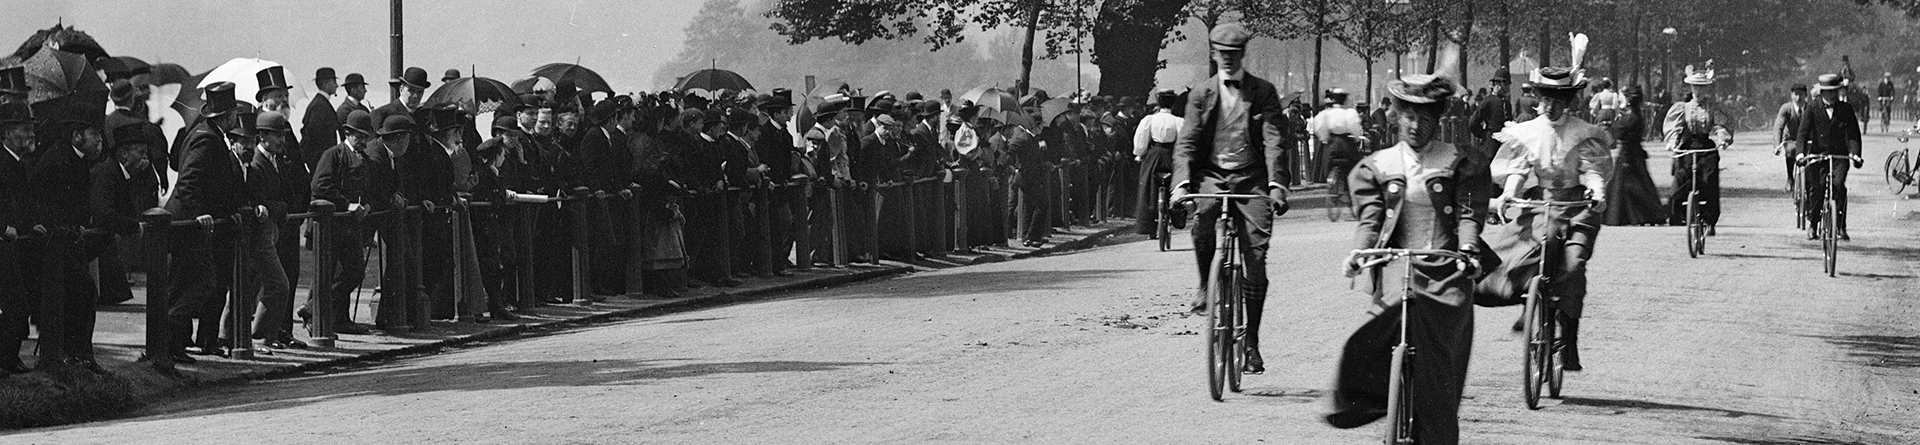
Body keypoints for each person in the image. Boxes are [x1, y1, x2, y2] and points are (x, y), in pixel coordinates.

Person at [1325, 74, 1487, 444]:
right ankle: (1376, 398)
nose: (1416, 126)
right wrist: (1359, 252)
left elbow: (1467, 214)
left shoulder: (1458, 161)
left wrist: (1468, 251)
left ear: (1439, 119)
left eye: (1426, 118)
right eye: (1409, 117)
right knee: (1363, 337)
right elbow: (1371, 219)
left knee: (1439, 371)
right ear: (1397, 116)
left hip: (1447, 270)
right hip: (1398, 263)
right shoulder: (1378, 165)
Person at [1169, 23, 1294, 374]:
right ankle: (1205, 284)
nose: (1227, 58)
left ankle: (1251, 339)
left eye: (1233, 54)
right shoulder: (1200, 94)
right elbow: (1188, 143)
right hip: (1211, 175)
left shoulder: (1264, 91)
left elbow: (1274, 141)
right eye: (1221, 53)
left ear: (1242, 55)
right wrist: (1181, 185)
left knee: (1256, 255)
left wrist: (1276, 185)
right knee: (1203, 215)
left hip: (1251, 179)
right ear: (1213, 53)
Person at [1483, 62, 1615, 373]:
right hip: (1541, 206)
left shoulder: (1582, 134)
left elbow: (1592, 171)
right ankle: (1530, 306)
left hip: (1576, 209)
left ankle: (1568, 337)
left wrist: (1595, 191)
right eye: (1545, 99)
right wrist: (1507, 195)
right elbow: (1519, 169)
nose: (1549, 107)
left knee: (1573, 265)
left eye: (1557, 101)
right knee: (1519, 254)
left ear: (1569, 102)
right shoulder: (1529, 131)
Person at [167, 83, 259, 359]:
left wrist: (224, 212)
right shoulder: (206, 138)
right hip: (190, 225)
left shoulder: (209, 135)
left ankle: (173, 344)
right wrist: (199, 213)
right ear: (228, 116)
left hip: (200, 223)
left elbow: (215, 185)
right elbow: (189, 181)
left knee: (192, 284)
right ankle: (169, 343)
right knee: (198, 284)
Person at [239, 111, 308, 349]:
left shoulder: (277, 160)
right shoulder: (257, 163)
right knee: (272, 284)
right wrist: (282, 207)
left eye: (283, 135)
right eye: (276, 135)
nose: (282, 140)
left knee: (254, 284)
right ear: (262, 136)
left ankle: (259, 335)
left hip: (274, 232)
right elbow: (259, 200)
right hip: (259, 234)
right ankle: (259, 337)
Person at [307, 110, 376, 335]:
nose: (363, 141)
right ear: (347, 133)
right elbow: (320, 186)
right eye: (359, 136)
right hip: (330, 226)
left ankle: (335, 317)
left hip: (351, 227)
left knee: (353, 272)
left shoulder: (364, 160)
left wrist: (366, 205)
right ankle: (315, 311)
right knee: (329, 272)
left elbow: (367, 190)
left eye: (366, 136)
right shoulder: (333, 155)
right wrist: (346, 205)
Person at [365, 114, 420, 330]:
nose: (408, 144)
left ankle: (389, 315)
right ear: (398, 139)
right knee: (348, 267)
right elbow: (375, 188)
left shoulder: (393, 155)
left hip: (386, 215)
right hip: (371, 215)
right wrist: (392, 197)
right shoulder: (376, 156)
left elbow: (397, 182)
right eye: (406, 138)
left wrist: (398, 193)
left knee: (403, 258)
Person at [1663, 65, 1732, 233]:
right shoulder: (1683, 107)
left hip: (1706, 148)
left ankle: (1709, 221)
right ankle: (1678, 215)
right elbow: (1675, 128)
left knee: (1709, 181)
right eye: (1695, 87)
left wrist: (1722, 139)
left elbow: (1719, 125)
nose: (1698, 91)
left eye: (1701, 87)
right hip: (1688, 147)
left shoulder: (1713, 107)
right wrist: (1672, 142)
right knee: (1680, 181)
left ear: (1706, 88)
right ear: (1691, 88)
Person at [1797, 74, 1864, 240]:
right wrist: (1800, 153)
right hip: (1818, 155)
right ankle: (1813, 224)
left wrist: (1855, 154)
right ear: (1822, 92)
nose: (1832, 95)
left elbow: (1854, 135)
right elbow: (1802, 133)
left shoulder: (1846, 109)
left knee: (1838, 185)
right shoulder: (1812, 108)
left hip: (1839, 156)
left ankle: (1840, 226)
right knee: (1817, 188)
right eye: (1828, 92)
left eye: (1835, 91)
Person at [1603, 87, 1668, 226]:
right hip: (1635, 154)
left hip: (1628, 155)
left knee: (1630, 187)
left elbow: (1618, 132)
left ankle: (1635, 215)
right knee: (1640, 185)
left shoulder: (1630, 118)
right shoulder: (1635, 116)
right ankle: (1644, 214)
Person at [1310, 87, 1368, 220]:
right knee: (1353, 169)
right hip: (1346, 144)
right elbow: (1355, 128)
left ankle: (1330, 183)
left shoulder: (1326, 114)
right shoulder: (1349, 113)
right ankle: (1349, 193)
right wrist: (1357, 138)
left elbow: (1319, 127)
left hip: (1332, 144)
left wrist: (1325, 139)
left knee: (1329, 163)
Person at [1132, 89, 1184, 235]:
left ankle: (1147, 224)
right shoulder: (1178, 121)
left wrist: (1139, 154)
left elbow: (1141, 142)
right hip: (1171, 155)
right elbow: (1182, 142)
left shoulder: (1149, 119)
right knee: (1178, 183)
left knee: (1147, 187)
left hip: (1154, 155)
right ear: (1173, 103)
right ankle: (1177, 212)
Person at [301, 67, 343, 169]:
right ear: (325, 84)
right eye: (333, 82)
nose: (336, 85)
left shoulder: (320, 103)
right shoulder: (320, 106)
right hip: (320, 161)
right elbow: (313, 135)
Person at [1775, 84, 1810, 191]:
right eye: (1796, 95)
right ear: (1791, 95)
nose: (1798, 98)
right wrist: (1777, 145)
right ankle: (1790, 178)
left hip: (1807, 140)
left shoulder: (1811, 108)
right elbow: (1778, 126)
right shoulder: (1786, 109)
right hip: (1791, 139)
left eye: (1801, 95)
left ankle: (1809, 181)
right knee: (1790, 151)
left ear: (1805, 95)